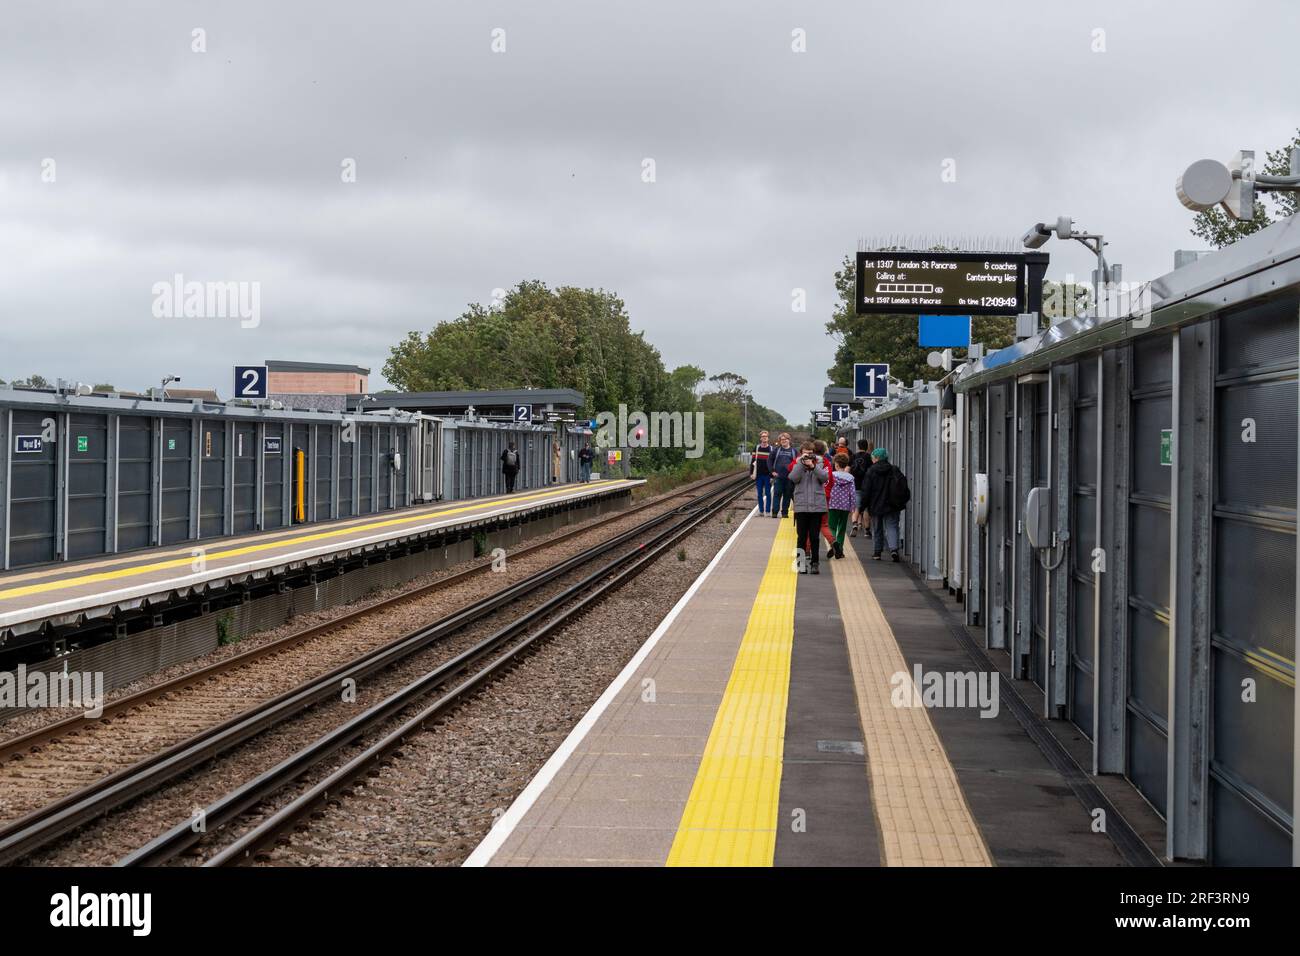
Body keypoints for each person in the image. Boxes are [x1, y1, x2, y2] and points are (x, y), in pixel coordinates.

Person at [789, 441, 828, 574]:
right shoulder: (797, 463)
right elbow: (793, 478)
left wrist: (813, 466)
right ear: (801, 453)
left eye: (810, 453)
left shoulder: (821, 462)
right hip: (801, 505)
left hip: (817, 506)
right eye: (806, 454)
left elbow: (824, 477)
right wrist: (801, 464)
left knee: (814, 537)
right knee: (801, 536)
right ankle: (800, 563)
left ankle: (815, 563)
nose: (808, 456)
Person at [862, 447, 906, 561]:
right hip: (892, 504)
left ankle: (877, 552)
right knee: (892, 526)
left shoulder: (871, 471)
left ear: (876, 458)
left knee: (877, 528)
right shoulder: (894, 469)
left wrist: (862, 506)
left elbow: (866, 490)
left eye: (872, 458)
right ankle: (894, 550)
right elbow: (903, 487)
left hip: (876, 504)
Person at [827, 452, 857, 559]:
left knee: (832, 526)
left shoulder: (831, 475)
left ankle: (833, 545)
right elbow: (852, 493)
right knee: (842, 527)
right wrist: (853, 507)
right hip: (845, 506)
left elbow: (827, 488)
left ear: (836, 465)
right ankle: (840, 548)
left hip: (832, 504)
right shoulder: (850, 478)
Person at [849, 439, 873, 537]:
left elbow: (848, 469)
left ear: (858, 446)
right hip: (867, 486)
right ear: (867, 447)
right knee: (866, 509)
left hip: (856, 485)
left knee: (856, 507)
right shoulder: (869, 457)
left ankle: (855, 524)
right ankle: (867, 531)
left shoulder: (852, 457)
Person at [769, 432, 797, 519]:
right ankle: (774, 512)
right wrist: (772, 471)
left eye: (785, 439)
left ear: (789, 440)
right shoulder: (776, 450)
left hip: (789, 478)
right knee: (777, 494)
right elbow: (769, 461)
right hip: (779, 477)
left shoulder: (794, 451)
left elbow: (798, 463)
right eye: (782, 440)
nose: (783, 441)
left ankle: (785, 513)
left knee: (787, 495)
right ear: (780, 441)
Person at [750, 430, 774, 515]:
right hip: (759, 475)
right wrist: (751, 473)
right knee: (759, 493)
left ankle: (767, 511)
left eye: (766, 436)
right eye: (763, 436)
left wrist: (772, 475)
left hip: (768, 475)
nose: (764, 438)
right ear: (760, 438)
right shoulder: (756, 448)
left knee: (768, 493)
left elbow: (773, 463)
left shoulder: (771, 449)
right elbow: (753, 461)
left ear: (768, 438)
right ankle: (761, 511)